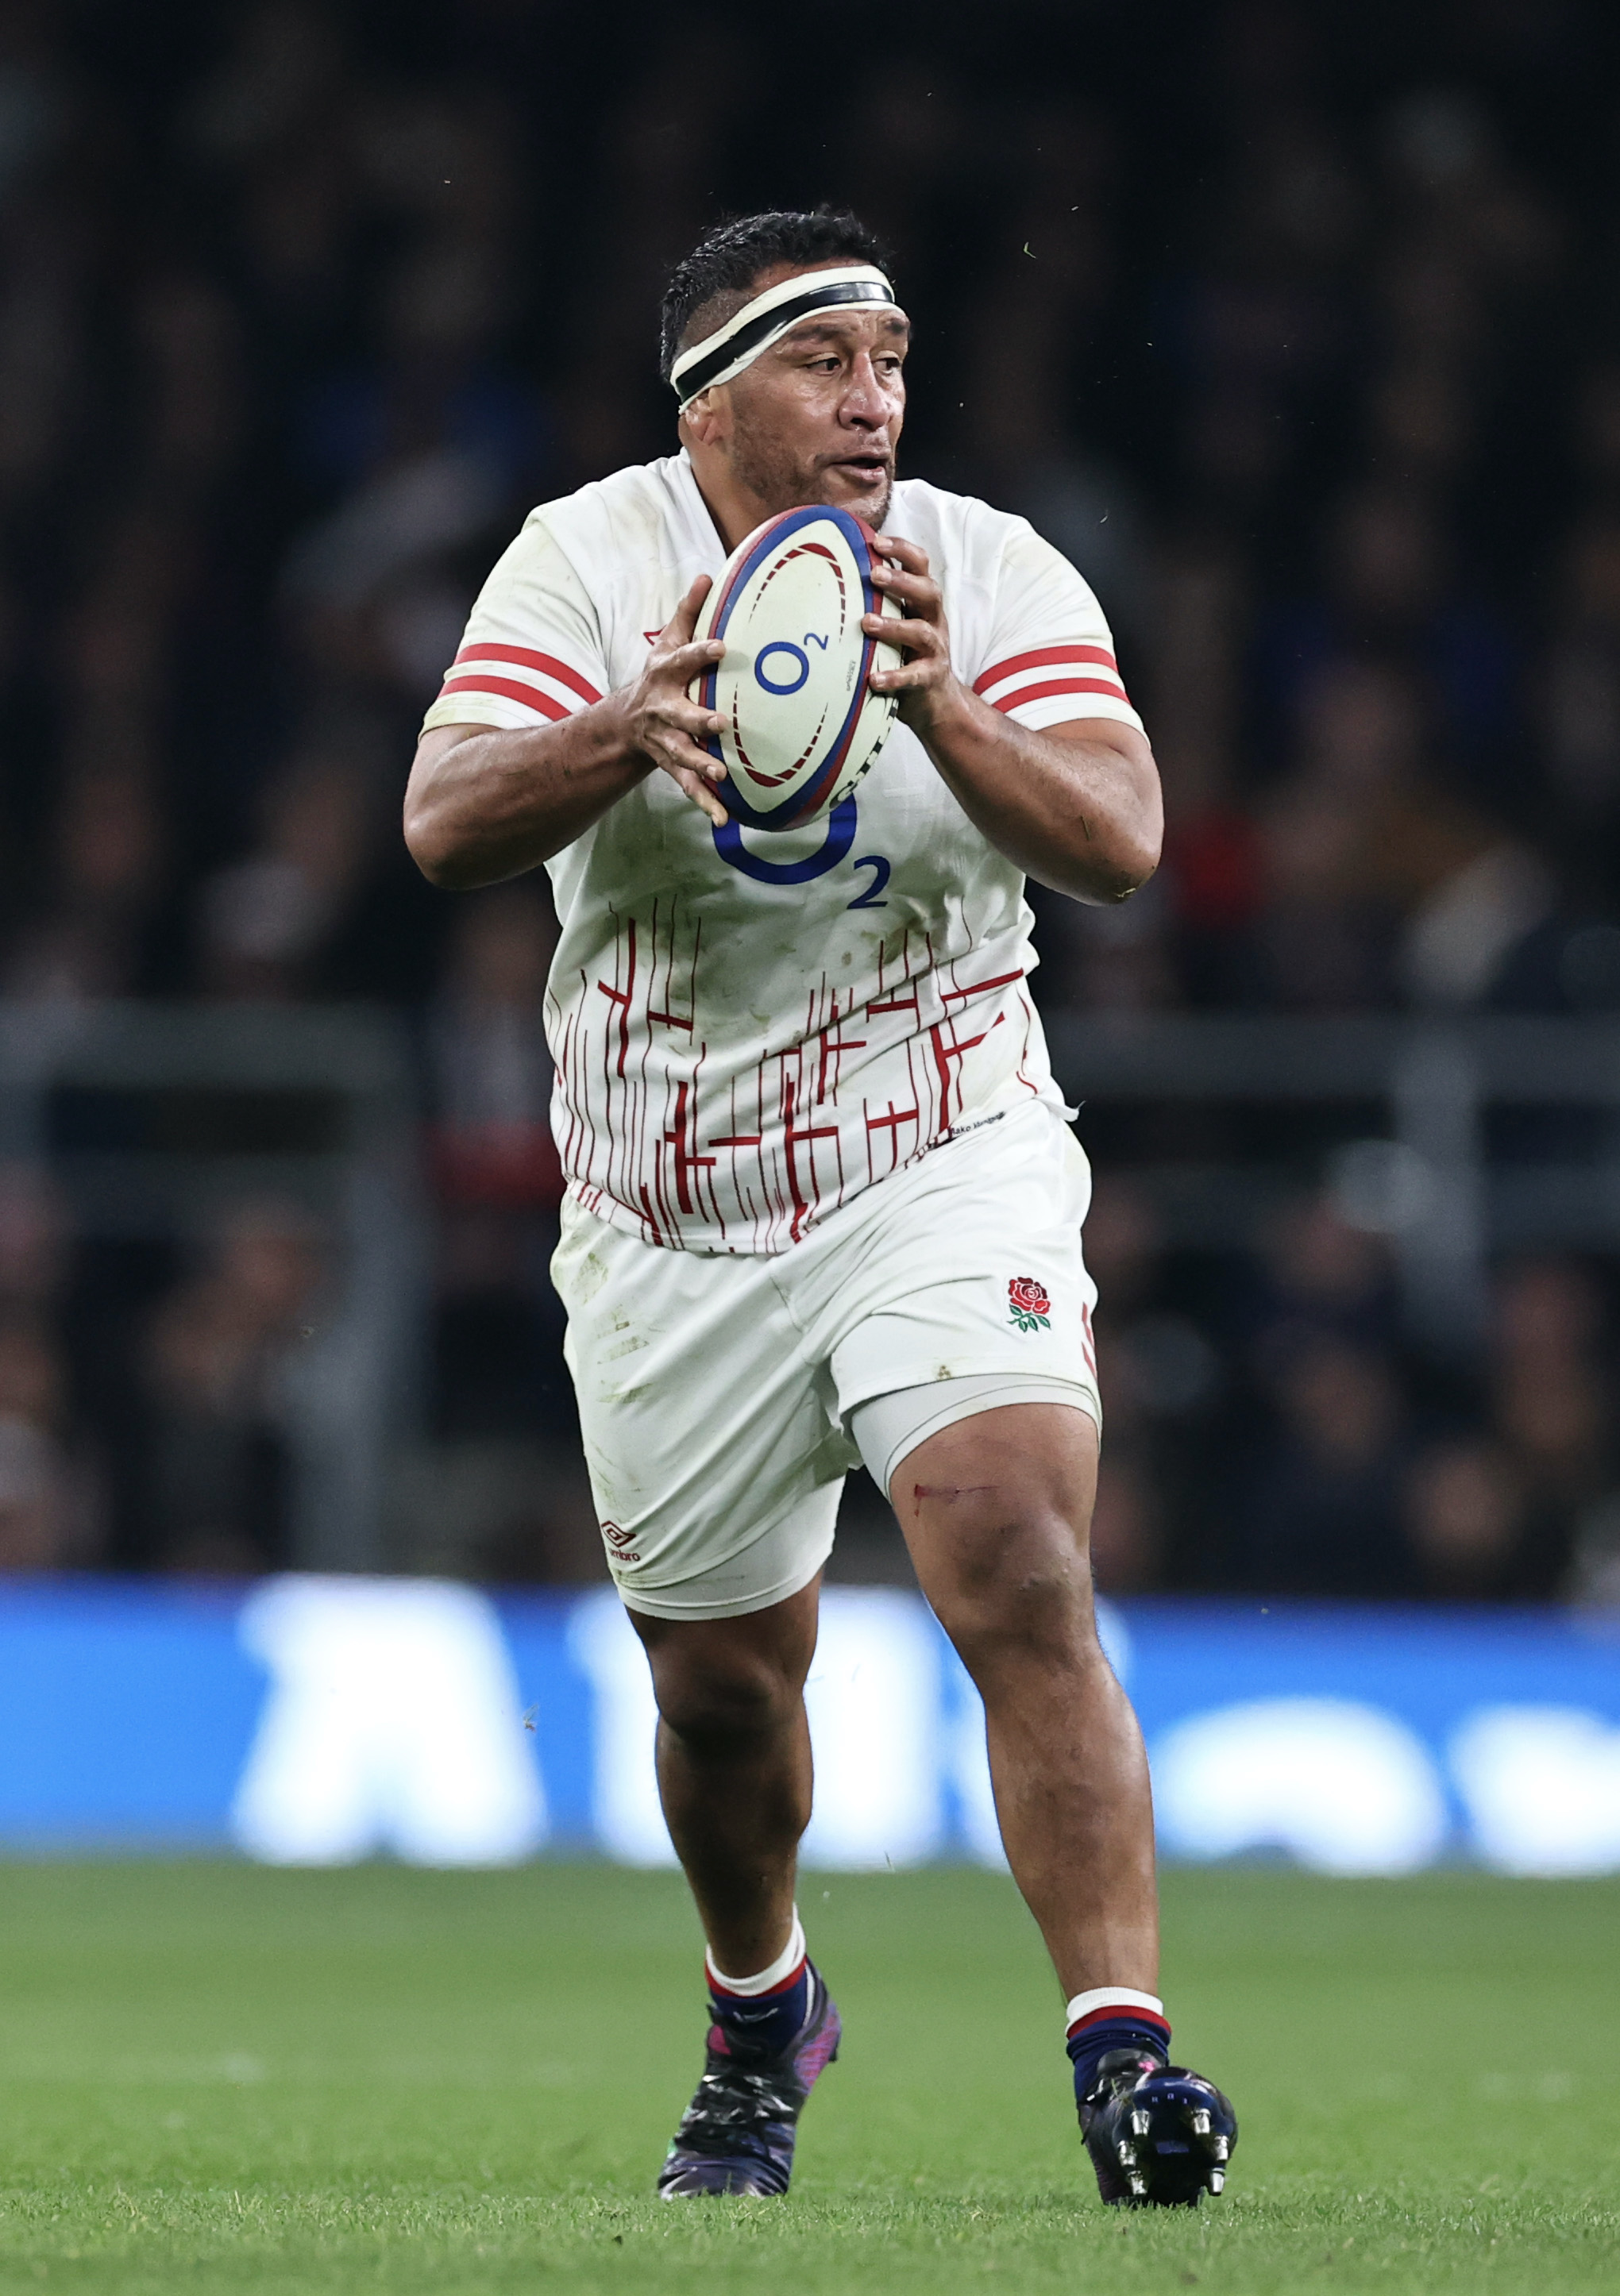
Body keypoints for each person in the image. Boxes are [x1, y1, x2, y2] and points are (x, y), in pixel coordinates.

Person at [403, 206, 1235, 2209]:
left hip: (937, 1144)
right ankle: (761, 2009)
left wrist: (951, 710)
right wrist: (626, 732)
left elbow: (1124, 837)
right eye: (826, 363)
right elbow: (439, 822)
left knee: (1017, 1554)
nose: (876, 402)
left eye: (893, 364)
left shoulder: (993, 568)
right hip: (675, 1208)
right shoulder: (587, 564)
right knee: (719, 1699)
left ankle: (1123, 2059)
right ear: (707, 398)